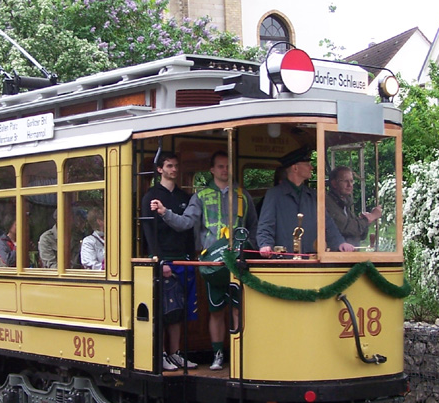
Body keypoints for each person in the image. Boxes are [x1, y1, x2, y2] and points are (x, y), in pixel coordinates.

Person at [156, 151, 257, 371]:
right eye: (220, 166)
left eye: (228, 166)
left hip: (238, 261)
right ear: (212, 170)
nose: (225, 170)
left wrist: (253, 250)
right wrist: (165, 213)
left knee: (239, 309)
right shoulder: (201, 196)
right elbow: (185, 223)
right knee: (216, 310)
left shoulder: (243, 195)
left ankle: (241, 355)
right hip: (212, 263)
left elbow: (254, 227)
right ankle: (217, 355)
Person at [142, 151, 198, 372]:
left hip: (184, 260)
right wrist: (159, 260)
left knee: (179, 312)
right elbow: (149, 231)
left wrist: (192, 257)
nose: (174, 170)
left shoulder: (184, 197)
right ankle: (162, 353)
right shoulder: (151, 196)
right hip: (164, 260)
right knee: (163, 311)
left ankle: (176, 353)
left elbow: (189, 230)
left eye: (175, 166)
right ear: (160, 169)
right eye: (169, 166)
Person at [257, 146, 355, 257]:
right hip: (284, 260)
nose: (311, 167)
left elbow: (327, 223)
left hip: (310, 259)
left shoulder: (313, 195)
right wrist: (265, 244)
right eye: (307, 164)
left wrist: (340, 243)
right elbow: (266, 225)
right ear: (295, 168)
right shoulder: (274, 195)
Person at [325, 165, 382, 247]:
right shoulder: (328, 203)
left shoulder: (344, 203)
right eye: (345, 181)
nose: (350, 185)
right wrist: (370, 218)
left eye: (351, 181)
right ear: (334, 183)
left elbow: (359, 234)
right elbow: (347, 227)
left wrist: (363, 220)